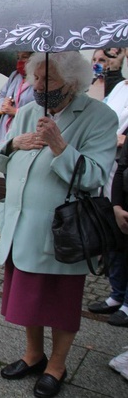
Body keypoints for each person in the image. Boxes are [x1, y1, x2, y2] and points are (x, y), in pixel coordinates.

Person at [0, 52, 117, 398]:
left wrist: (60, 145)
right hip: (20, 224)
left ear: (73, 83)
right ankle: (33, 354)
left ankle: (56, 365)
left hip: (60, 231)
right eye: (36, 78)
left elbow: (94, 175)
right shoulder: (30, 111)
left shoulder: (99, 117)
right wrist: (13, 144)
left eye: (48, 80)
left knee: (60, 304)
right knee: (27, 298)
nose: (38, 86)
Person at [88, 55, 128, 327]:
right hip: (115, 168)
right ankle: (117, 294)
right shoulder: (121, 87)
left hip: (122, 162)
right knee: (114, 237)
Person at [108, 138, 128, 379]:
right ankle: (117, 296)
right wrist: (116, 205)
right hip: (123, 207)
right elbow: (121, 167)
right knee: (119, 255)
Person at [0, 52, 35, 146]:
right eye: (18, 58)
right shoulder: (15, 75)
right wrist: (4, 103)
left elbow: (40, 108)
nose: (20, 61)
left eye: (24, 57)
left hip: (25, 131)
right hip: (6, 131)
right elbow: (2, 94)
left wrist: (16, 112)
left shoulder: (40, 81)